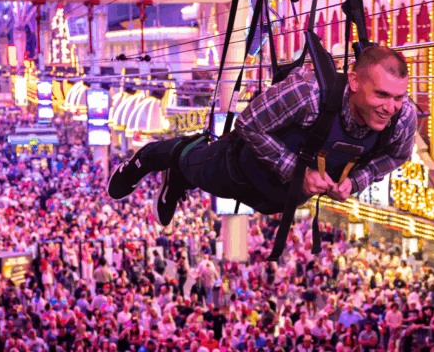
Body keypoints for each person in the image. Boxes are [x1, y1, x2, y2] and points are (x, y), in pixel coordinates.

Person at [108, 45, 416, 256]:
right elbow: (249, 124)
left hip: (281, 196)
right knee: (190, 161)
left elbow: (397, 155)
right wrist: (297, 171)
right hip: (237, 168)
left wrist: (358, 179)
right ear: (354, 81)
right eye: (381, 95)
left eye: (399, 97)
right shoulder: (308, 93)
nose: (390, 108)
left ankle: (178, 179)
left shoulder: (403, 117)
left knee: (263, 202)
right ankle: (146, 159)